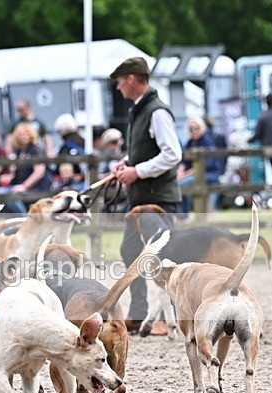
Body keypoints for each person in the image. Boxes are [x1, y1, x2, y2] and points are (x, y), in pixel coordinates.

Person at [111, 56, 182, 336]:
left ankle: (168, 316)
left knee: (164, 255)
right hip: (141, 199)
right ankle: (140, 312)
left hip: (158, 197)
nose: (118, 88)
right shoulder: (140, 110)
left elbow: (172, 154)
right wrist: (127, 163)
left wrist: (137, 172)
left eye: (120, 82)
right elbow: (146, 149)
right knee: (130, 250)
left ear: (131, 79)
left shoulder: (157, 112)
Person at [0, 123, 52, 214]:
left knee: (10, 196)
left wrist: (24, 186)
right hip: (20, 186)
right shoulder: (19, 151)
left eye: (25, 133)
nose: (23, 136)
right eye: (20, 134)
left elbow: (39, 172)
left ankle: (24, 218)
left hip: (36, 188)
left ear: (31, 135)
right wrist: (9, 177)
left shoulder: (34, 149)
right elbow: (18, 174)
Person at [176, 118, 223, 216]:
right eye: (191, 129)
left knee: (182, 184)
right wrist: (180, 172)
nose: (194, 131)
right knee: (178, 183)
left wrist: (186, 174)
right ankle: (184, 214)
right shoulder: (190, 142)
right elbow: (184, 161)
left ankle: (185, 214)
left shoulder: (207, 142)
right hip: (194, 174)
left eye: (196, 128)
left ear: (201, 128)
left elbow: (205, 165)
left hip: (210, 174)